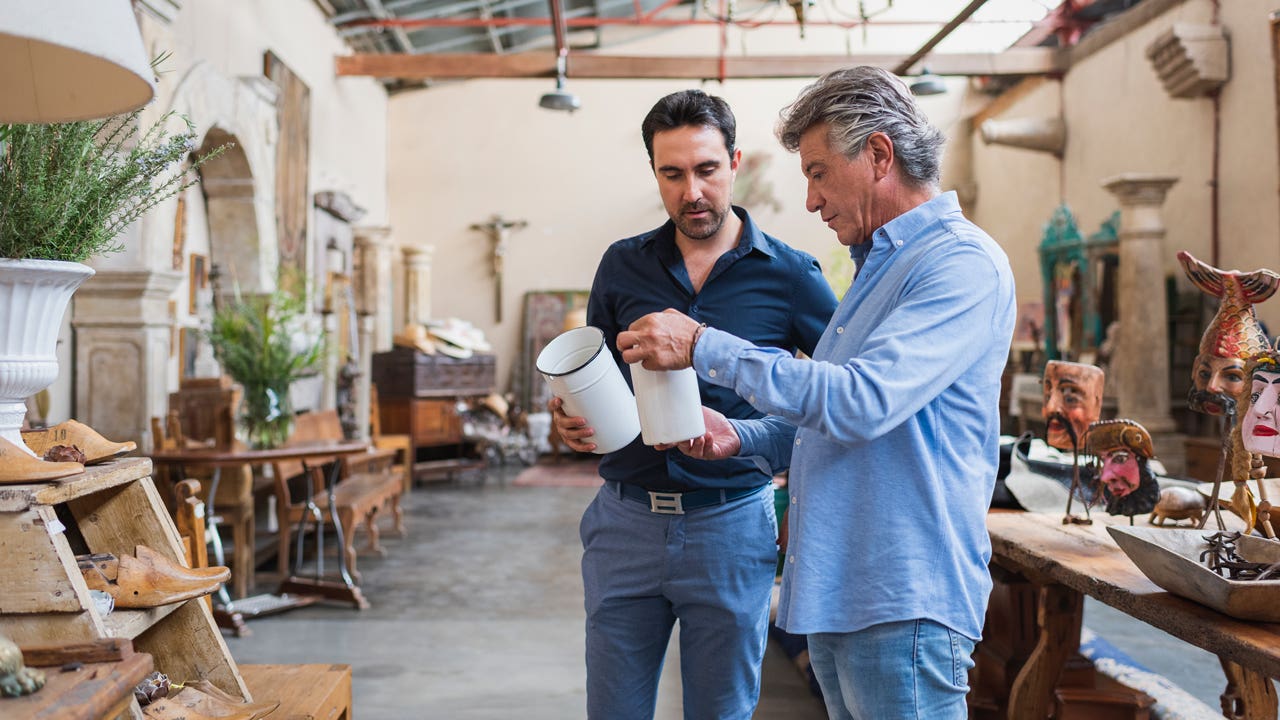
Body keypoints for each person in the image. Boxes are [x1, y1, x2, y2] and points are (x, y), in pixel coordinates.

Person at [616, 66, 1016, 720]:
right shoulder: (876, 270)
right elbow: (830, 419)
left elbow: (860, 401)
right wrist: (741, 436)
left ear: (879, 155)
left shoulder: (958, 263)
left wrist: (702, 345)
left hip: (902, 598)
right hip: (845, 596)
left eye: (818, 171)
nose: (810, 199)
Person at [550, 89, 837, 720]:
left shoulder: (791, 275)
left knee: (721, 712)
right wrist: (570, 418)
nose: (692, 192)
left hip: (731, 527)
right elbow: (591, 373)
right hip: (623, 526)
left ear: (734, 162)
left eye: (707, 170)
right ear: (654, 172)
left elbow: (837, 408)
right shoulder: (622, 265)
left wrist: (748, 436)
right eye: (672, 173)